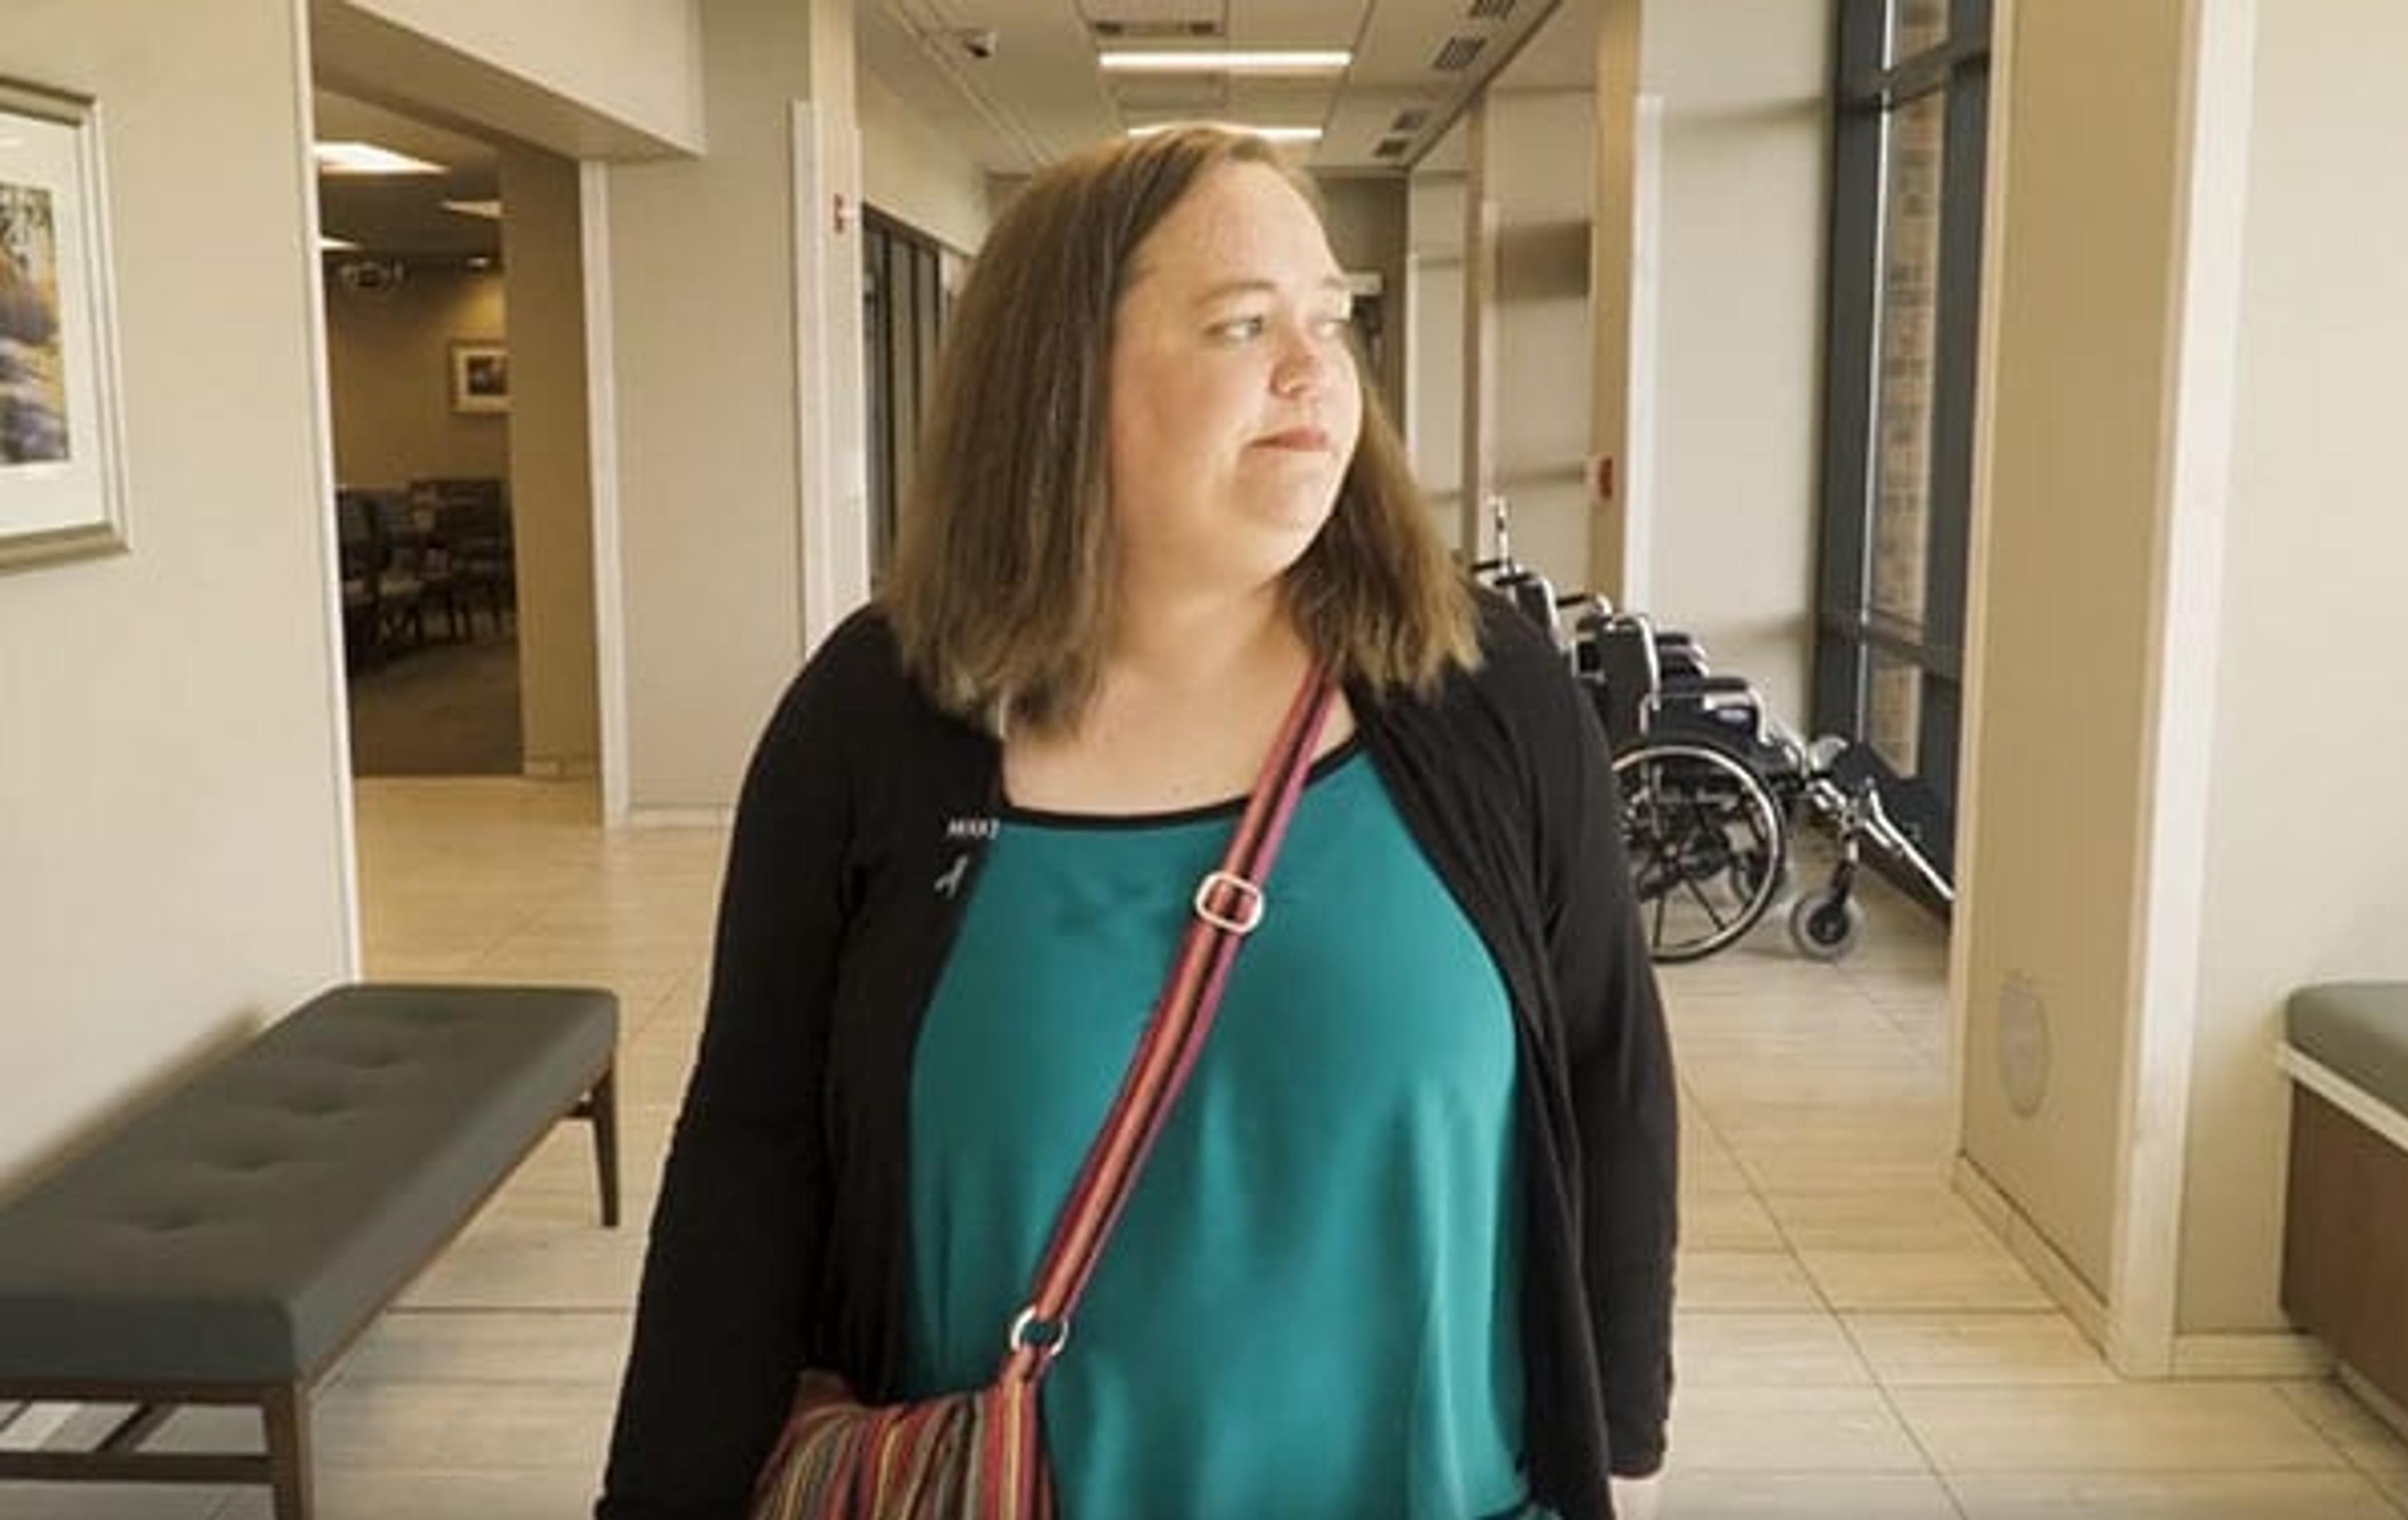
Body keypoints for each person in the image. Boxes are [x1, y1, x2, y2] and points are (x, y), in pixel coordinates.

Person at [596, 124, 1677, 1520]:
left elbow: (1611, 1081)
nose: (1315, 373)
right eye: (1242, 324)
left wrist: (1626, 1451)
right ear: (1063, 379)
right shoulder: (876, 719)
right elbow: (752, 1151)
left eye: (1329, 320)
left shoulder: (1485, 694)